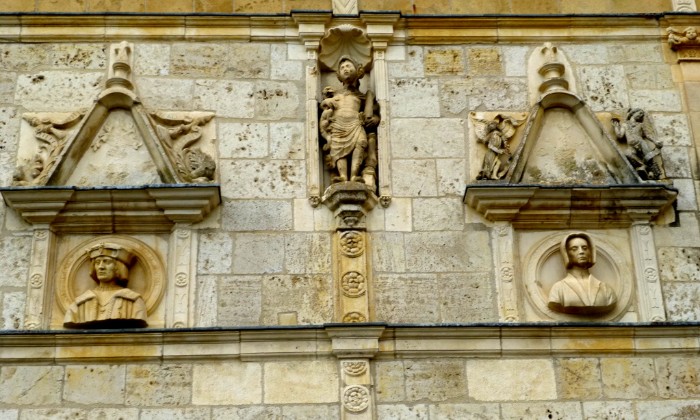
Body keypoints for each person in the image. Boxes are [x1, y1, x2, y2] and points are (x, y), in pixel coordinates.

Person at [319, 56, 379, 184]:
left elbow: (373, 111)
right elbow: (325, 107)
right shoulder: (335, 94)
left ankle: (354, 176)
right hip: (338, 125)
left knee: (361, 142)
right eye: (342, 68)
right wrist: (326, 98)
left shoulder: (363, 96)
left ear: (358, 71)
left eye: (348, 66)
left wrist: (375, 119)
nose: (345, 69)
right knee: (339, 148)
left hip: (355, 124)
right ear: (339, 75)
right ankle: (342, 176)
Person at [64, 243, 147, 328]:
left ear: (118, 267)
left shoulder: (133, 301)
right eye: (97, 262)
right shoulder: (80, 303)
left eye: (106, 262)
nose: (101, 267)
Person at [548, 233, 617, 316]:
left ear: (590, 252)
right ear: (567, 254)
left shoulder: (606, 289)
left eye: (585, 248)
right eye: (574, 249)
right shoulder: (558, 288)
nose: (581, 252)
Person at [612, 108, 667, 180]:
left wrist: (655, 142)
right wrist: (616, 127)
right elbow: (619, 135)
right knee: (628, 154)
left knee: (649, 158)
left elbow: (647, 135)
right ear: (633, 113)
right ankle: (643, 166)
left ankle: (653, 172)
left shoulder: (640, 125)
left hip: (641, 144)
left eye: (642, 115)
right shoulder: (625, 125)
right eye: (640, 113)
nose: (641, 115)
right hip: (631, 146)